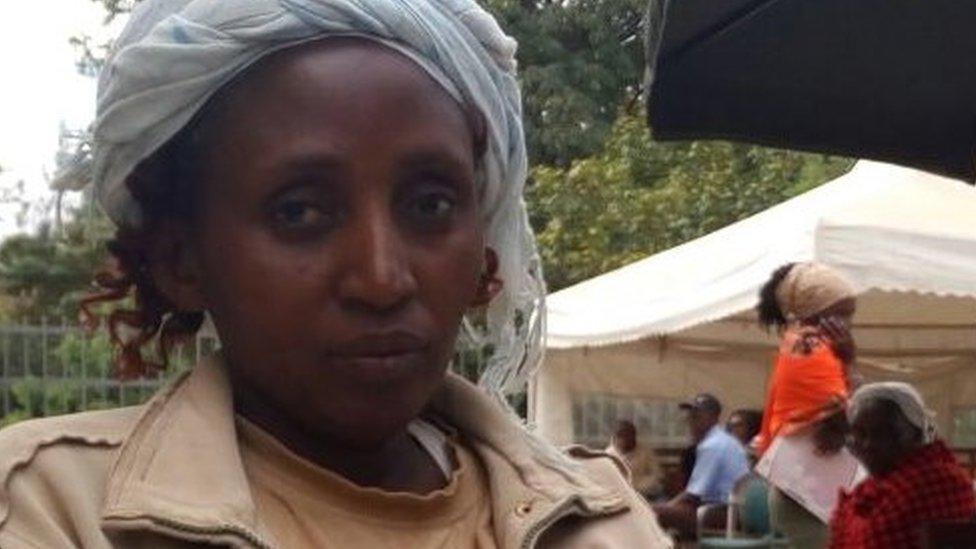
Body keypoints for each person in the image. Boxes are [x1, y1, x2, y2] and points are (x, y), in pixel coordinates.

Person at [0, 1, 674, 547]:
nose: (382, 279)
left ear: (482, 249)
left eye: (430, 205)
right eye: (300, 212)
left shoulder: (605, 520)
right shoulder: (54, 508)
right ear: (182, 260)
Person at [755, 262, 860, 549]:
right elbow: (857, 415)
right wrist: (849, 359)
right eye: (840, 314)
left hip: (804, 488)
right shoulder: (810, 346)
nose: (847, 324)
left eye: (850, 315)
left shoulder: (804, 344)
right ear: (815, 312)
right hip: (809, 494)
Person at [830, 382, 976, 549]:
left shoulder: (939, 485)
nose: (869, 444)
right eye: (860, 434)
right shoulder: (869, 491)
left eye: (883, 433)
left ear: (917, 434)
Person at [653, 394, 749, 538]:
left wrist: (663, 507)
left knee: (650, 513)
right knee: (664, 510)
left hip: (725, 513)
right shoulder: (726, 440)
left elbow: (693, 495)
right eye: (690, 416)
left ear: (713, 418)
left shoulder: (712, 445)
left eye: (697, 416)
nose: (691, 421)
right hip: (737, 512)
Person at [606, 419, 664, 499]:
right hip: (618, 494)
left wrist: (640, 486)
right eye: (620, 435)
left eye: (627, 435)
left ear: (634, 436)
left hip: (645, 492)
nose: (624, 439)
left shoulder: (646, 451)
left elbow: (657, 474)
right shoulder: (608, 454)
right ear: (614, 437)